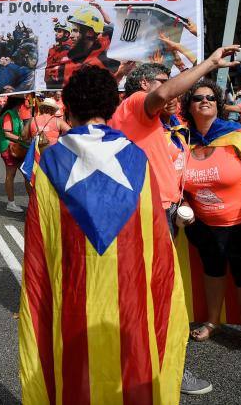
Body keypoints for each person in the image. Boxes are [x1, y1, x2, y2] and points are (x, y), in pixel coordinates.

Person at [18, 66, 188, 404]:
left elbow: (41, 241)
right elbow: (156, 238)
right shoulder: (137, 157)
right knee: (130, 365)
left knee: (76, 372)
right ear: (112, 107)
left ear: (68, 107)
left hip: (73, 291)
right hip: (130, 291)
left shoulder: (51, 160)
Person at [109, 46, 241, 395]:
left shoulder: (163, 123)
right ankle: (165, 371)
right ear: (144, 85)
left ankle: (151, 367)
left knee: (155, 298)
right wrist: (210, 63)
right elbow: (165, 93)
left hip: (165, 215)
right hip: (147, 218)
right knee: (159, 300)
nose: (173, 90)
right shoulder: (135, 105)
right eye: (163, 81)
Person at [180, 79, 241, 366]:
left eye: (210, 97)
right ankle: (212, 321)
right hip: (203, 225)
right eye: (197, 98)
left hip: (240, 224)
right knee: (212, 273)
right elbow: (176, 179)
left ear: (219, 104)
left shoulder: (235, 135)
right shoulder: (183, 139)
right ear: (189, 106)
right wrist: (183, 203)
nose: (204, 101)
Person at [0, 95, 28, 213]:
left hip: (17, 148)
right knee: (11, 175)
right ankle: (11, 203)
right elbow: (7, 133)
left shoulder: (15, 113)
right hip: (9, 148)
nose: (23, 105)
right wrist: (22, 139)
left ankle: (32, 202)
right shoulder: (9, 114)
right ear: (18, 103)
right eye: (22, 102)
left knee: (27, 174)